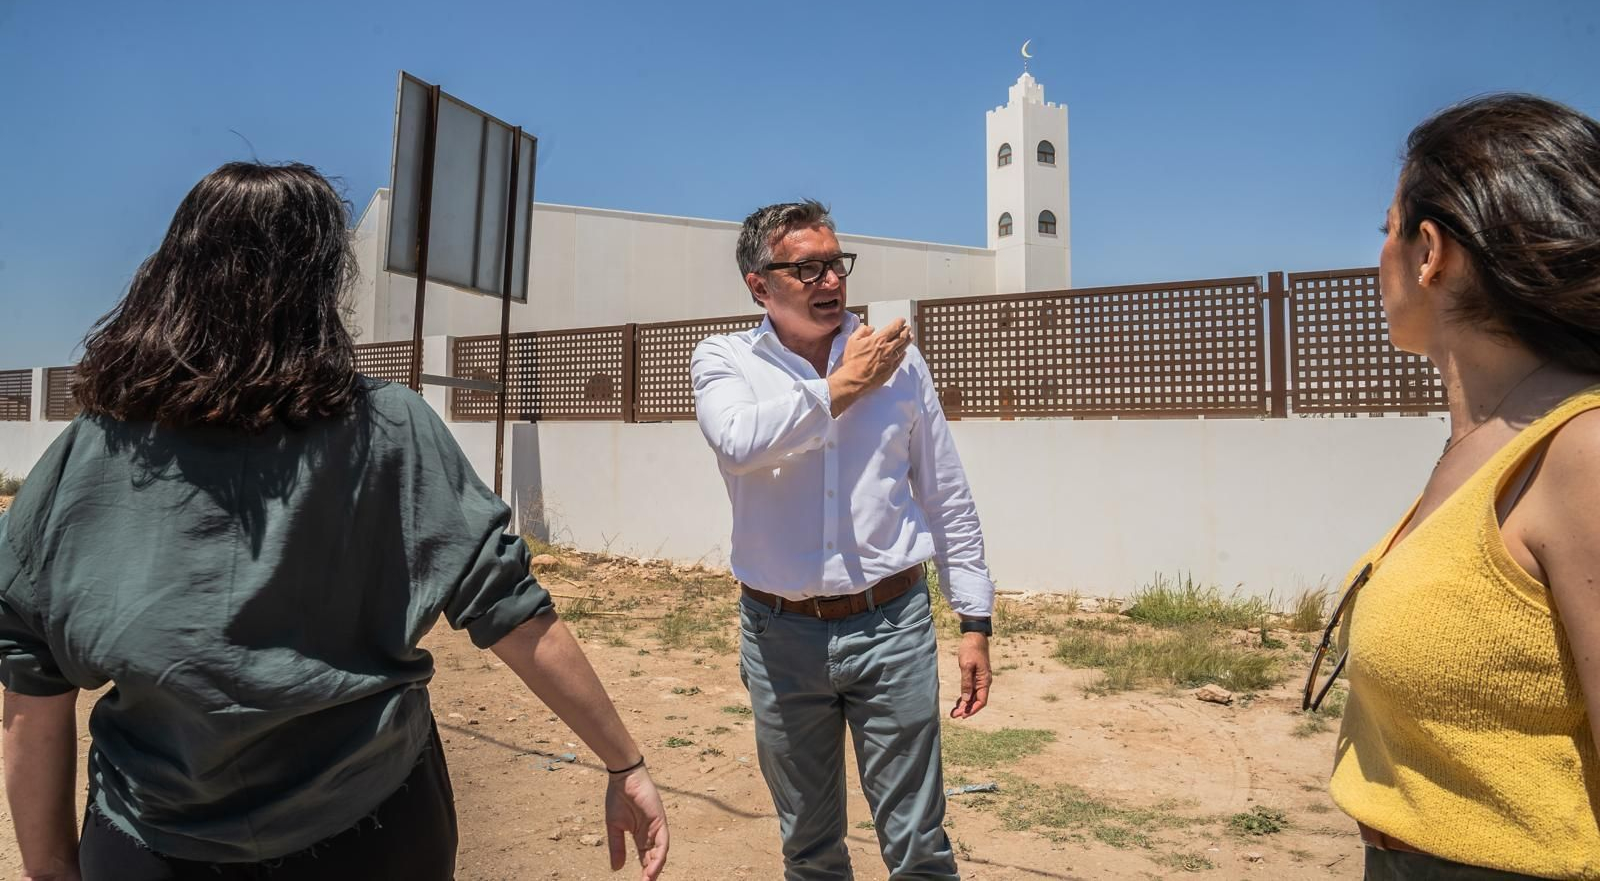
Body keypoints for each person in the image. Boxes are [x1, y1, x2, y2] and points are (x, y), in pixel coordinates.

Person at [0, 162, 668, 881]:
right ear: (319, 280)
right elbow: (509, 609)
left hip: (151, 838)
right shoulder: (388, 426)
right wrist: (622, 760)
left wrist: (47, 865)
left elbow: (30, 675)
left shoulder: (95, 447)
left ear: (173, 270)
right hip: (372, 830)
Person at [1316, 95, 1600, 879]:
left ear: (1430, 251)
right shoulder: (1484, 444)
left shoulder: (1584, 451)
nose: (1379, 252)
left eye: (1388, 227)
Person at [690, 199, 995, 881]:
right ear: (760, 285)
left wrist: (974, 619)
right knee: (809, 847)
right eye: (809, 269)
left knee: (919, 845)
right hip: (779, 637)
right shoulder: (725, 360)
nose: (831, 282)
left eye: (837, 264)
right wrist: (847, 384)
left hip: (893, 625)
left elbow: (945, 493)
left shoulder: (900, 362)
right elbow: (739, 443)